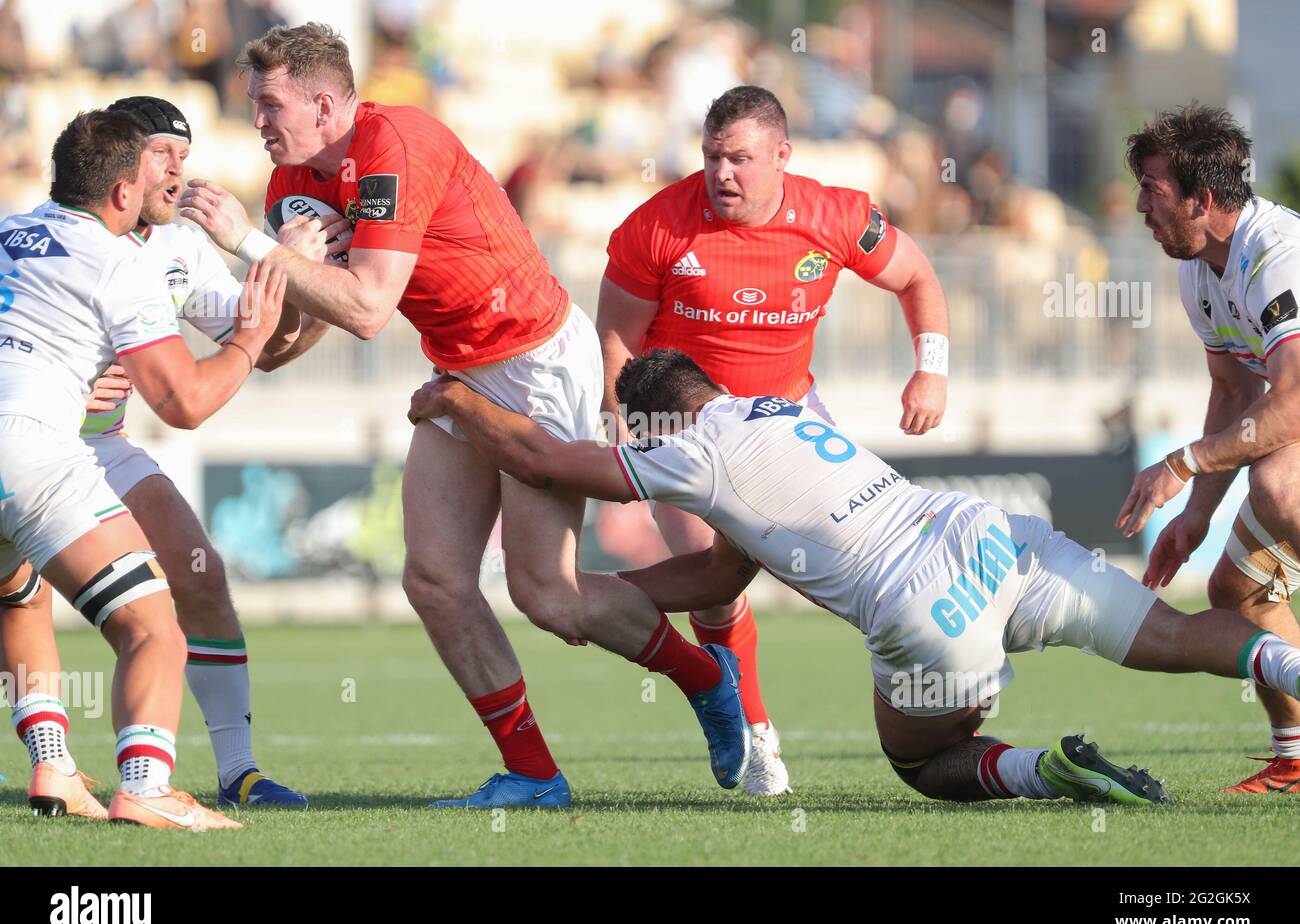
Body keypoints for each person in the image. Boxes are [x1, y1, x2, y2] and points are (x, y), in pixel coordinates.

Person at [177, 22, 749, 807]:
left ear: (322, 101)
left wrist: (248, 243)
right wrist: (288, 270)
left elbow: (372, 309)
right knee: (436, 579)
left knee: (550, 598)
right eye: (253, 105)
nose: (258, 121)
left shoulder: (393, 145)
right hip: (460, 366)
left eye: (270, 104)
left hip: (535, 359)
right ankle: (536, 776)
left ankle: (702, 676)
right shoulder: (290, 189)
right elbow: (284, 343)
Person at [408, 348, 1300, 806]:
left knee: (924, 762)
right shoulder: (773, 409)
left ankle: (1050, 773)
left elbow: (541, 458)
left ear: (651, 424)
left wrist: (456, 398)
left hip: (924, 607)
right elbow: (725, 567)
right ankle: (1291, 668)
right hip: (989, 537)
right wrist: (614, 599)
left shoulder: (690, 451)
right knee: (1180, 635)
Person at [598, 85, 949, 794]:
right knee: (715, 591)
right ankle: (757, 734)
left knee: (860, 572)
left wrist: (931, 372)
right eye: (711, 158)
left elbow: (916, 276)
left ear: (783, 156)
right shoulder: (656, 226)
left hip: (789, 419)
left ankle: (949, 684)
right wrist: (628, 442)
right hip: (683, 431)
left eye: (740, 159)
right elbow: (615, 342)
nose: (721, 174)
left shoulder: (836, 216)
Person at [0, 95, 314, 808]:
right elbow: (190, 397)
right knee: (116, 614)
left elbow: (269, 346)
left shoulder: (172, 245)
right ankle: (122, 780)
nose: (178, 173)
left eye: (186, 156)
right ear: (120, 170)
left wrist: (287, 279)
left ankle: (239, 771)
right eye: (162, 156)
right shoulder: (105, 252)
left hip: (92, 444)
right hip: (48, 445)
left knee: (198, 578)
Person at [1118, 104, 1300, 793]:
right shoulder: (1198, 265)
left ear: (1203, 199)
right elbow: (1231, 393)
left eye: (1153, 190)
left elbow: (1291, 403)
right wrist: (1195, 515)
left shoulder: (1278, 256)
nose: (1141, 206)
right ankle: (1298, 755)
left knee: (1279, 485)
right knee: (1237, 589)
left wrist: (1180, 461)